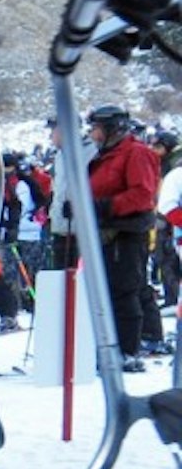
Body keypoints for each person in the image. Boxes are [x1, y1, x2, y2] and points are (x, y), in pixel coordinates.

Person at [83, 104, 162, 372]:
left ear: (110, 129)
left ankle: (128, 350)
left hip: (125, 233)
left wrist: (104, 206)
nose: (92, 134)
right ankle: (107, 346)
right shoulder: (105, 155)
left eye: (95, 128)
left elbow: (142, 194)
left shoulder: (136, 153)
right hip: (104, 233)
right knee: (104, 291)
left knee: (124, 291)